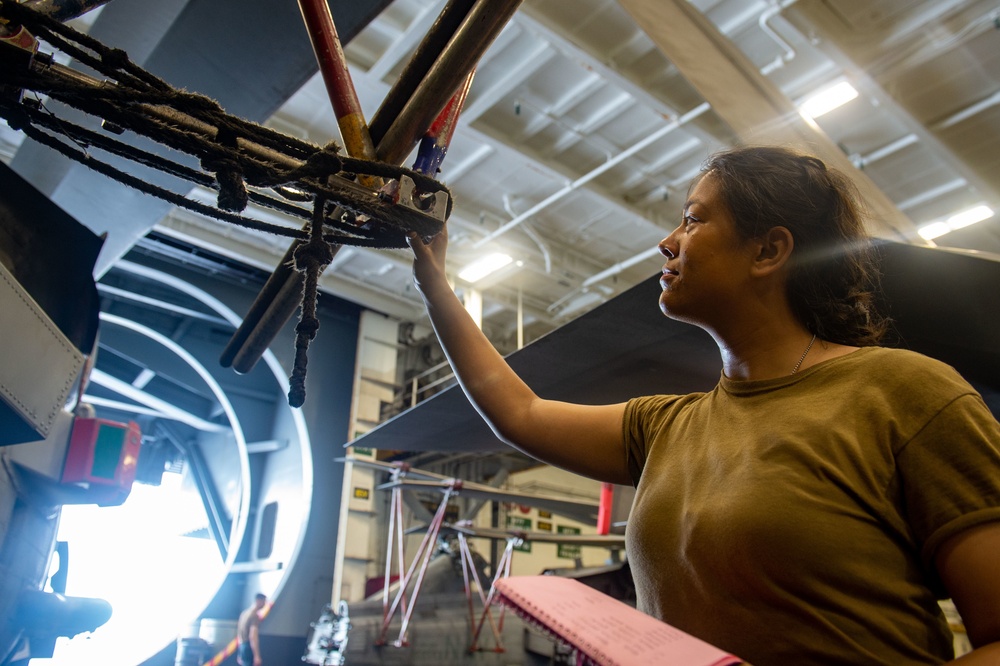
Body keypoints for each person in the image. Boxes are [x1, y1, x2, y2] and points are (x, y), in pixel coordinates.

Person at [407, 145, 1000, 665]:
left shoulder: (905, 394)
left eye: (692, 221)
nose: (667, 242)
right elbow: (522, 414)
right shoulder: (665, 425)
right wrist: (435, 284)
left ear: (768, 250)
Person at [236, 593, 266, 666]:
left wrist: (239, 652)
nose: (264, 604)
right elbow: (253, 636)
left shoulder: (244, 613)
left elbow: (239, 633)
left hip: (242, 645)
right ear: (259, 601)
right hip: (249, 647)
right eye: (264, 602)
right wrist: (257, 656)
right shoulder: (254, 616)